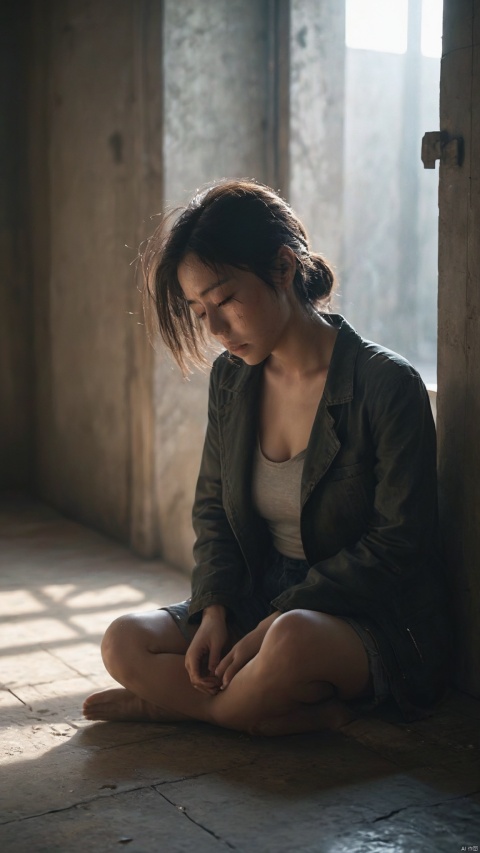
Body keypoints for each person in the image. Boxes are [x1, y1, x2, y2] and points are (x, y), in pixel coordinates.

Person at [83, 179, 450, 735]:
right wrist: (215, 610)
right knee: (123, 641)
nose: (214, 328)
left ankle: (193, 709)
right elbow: (213, 510)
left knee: (291, 640)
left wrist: (275, 619)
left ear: (283, 268)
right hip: (260, 594)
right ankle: (258, 709)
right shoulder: (233, 379)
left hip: (366, 613)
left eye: (226, 298)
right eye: (198, 308)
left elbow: (398, 544)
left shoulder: (386, 383)